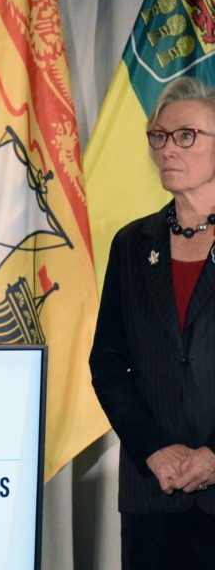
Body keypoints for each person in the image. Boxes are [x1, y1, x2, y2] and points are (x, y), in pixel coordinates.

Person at [90, 76, 215, 570]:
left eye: (186, 136)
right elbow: (108, 363)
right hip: (152, 493)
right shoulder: (131, 244)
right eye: (158, 136)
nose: (167, 148)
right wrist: (155, 450)